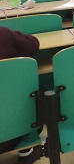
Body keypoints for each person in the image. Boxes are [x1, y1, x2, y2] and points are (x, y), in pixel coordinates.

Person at [0, 26, 41, 159]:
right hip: (13, 133)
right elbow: (34, 44)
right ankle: (26, 151)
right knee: (33, 91)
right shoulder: (4, 35)